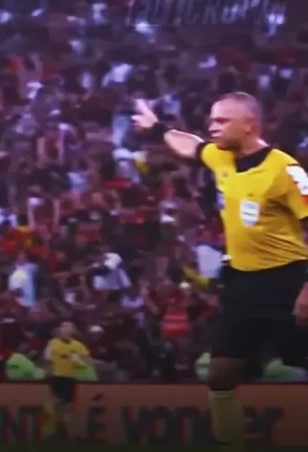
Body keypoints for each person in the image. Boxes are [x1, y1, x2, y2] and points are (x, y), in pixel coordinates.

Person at [132, 94, 308, 450]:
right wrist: (157, 129)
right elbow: (191, 147)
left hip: (288, 281)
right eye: (212, 120)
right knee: (220, 375)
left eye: (222, 121)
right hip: (242, 283)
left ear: (249, 125)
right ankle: (230, 441)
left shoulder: (285, 171)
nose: (212, 127)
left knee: (298, 360)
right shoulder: (222, 157)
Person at [43, 321, 90, 440]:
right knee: (59, 405)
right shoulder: (53, 343)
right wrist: (48, 370)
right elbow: (47, 358)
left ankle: (67, 432)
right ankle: (63, 431)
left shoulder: (78, 345)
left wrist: (79, 361)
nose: (66, 329)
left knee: (65, 405)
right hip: (56, 377)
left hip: (70, 378)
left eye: (69, 327)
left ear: (73, 331)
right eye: (63, 327)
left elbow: (86, 360)